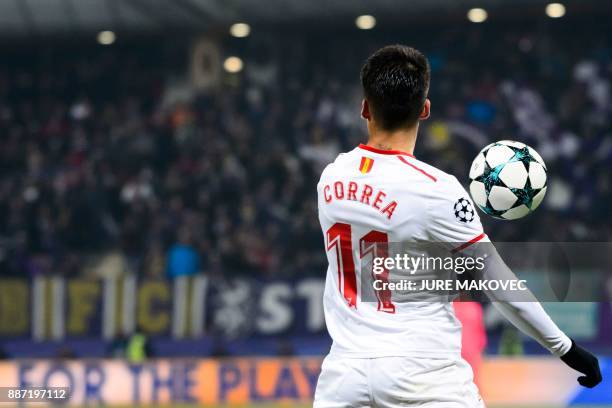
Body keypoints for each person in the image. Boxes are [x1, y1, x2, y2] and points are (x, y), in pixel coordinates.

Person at [314, 45, 601, 408]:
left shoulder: (331, 178)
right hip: (424, 379)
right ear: (425, 110)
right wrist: (566, 348)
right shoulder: (437, 190)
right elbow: (498, 281)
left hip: (343, 379)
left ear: (365, 108)